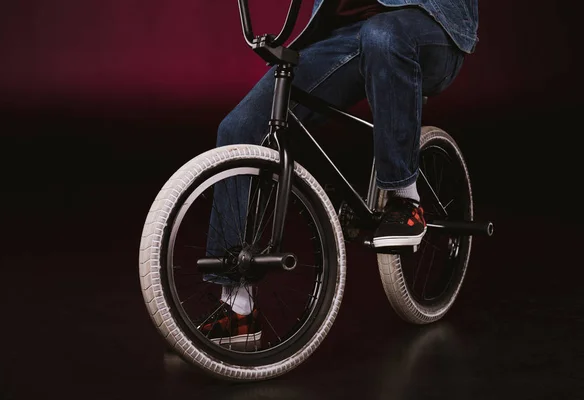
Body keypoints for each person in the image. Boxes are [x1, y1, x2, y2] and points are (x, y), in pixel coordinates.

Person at [199, 0, 479, 344]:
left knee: (384, 35)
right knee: (240, 128)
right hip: (345, 36)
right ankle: (237, 310)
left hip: (430, 26)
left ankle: (406, 202)